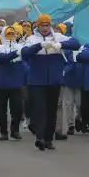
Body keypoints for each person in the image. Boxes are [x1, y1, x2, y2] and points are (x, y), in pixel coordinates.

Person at [21, 14, 81, 151]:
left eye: (47, 25)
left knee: (51, 110)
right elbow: (25, 53)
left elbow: (76, 44)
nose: (45, 28)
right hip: (37, 81)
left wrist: (61, 44)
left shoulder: (58, 37)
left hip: (54, 80)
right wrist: (40, 45)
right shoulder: (31, 39)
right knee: (40, 109)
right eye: (42, 25)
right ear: (38, 26)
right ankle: (39, 138)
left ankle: (48, 139)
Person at [0, 30, 25, 141]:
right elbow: (3, 58)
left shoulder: (21, 46)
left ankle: (15, 130)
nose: (11, 36)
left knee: (17, 108)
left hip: (16, 81)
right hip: (3, 82)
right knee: (2, 109)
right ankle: (3, 132)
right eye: (8, 34)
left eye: (12, 34)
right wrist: (17, 53)